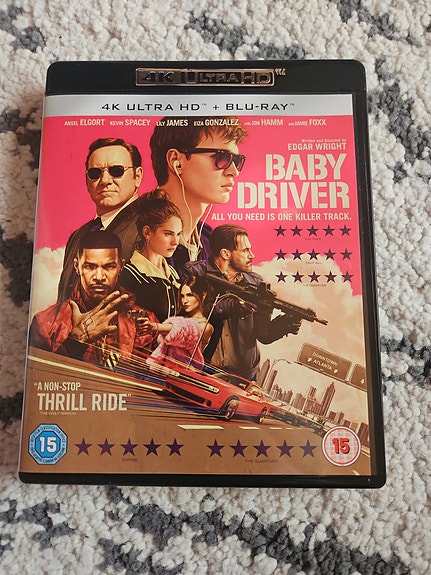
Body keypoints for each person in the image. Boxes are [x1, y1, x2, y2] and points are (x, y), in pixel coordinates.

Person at [183, 224, 302, 381]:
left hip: (243, 376)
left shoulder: (255, 282)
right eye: (245, 250)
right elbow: (188, 312)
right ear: (225, 253)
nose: (252, 255)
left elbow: (262, 334)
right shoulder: (195, 272)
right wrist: (231, 306)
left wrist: (284, 324)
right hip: (201, 369)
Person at [30, 230, 158, 366]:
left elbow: (161, 374)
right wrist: (77, 340)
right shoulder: (45, 323)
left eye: (109, 267)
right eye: (90, 267)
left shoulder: (147, 321)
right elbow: (40, 375)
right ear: (77, 267)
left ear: (121, 267)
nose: (99, 277)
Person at [149, 116, 248, 271]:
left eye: (237, 160)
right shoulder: (140, 238)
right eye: (222, 157)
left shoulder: (208, 240)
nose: (234, 171)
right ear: (176, 161)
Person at [57, 137, 144, 303]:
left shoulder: (152, 229)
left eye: (116, 171)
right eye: (95, 173)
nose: (105, 181)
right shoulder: (78, 235)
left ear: (137, 176)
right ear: (87, 181)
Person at [118, 190, 182, 322]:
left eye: (178, 234)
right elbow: (128, 322)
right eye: (168, 234)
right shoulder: (129, 276)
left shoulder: (174, 274)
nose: (175, 242)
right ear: (147, 232)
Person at [145, 276, 214, 370]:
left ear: (203, 295)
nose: (184, 301)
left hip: (184, 374)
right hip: (162, 371)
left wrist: (155, 327)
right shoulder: (179, 319)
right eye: (182, 296)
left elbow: (183, 330)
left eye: (190, 295)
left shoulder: (205, 327)